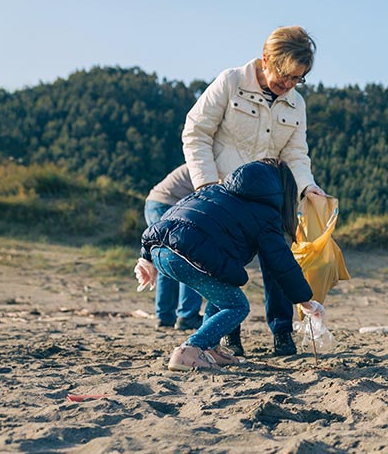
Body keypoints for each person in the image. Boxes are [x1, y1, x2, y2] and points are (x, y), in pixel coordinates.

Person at [182, 26, 326, 356]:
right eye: (284, 76)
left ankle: (282, 332)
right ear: (266, 60)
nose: (289, 85)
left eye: (297, 79)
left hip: (271, 198)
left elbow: (295, 153)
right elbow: (196, 133)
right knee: (225, 266)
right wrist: (206, 185)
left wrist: (307, 186)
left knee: (279, 260)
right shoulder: (230, 82)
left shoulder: (296, 103)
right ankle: (230, 336)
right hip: (225, 198)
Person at [134, 160, 324, 371]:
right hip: (188, 255)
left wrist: (146, 257)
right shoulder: (265, 213)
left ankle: (211, 349)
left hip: (160, 248)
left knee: (223, 291)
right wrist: (305, 301)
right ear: (283, 190)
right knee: (237, 305)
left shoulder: (216, 189)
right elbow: (281, 263)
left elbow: (174, 214)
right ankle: (191, 349)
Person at [143, 164, 205, 331]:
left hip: (157, 202)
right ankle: (187, 315)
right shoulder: (209, 164)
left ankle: (165, 317)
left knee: (167, 261)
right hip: (167, 204)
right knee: (189, 259)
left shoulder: (204, 158)